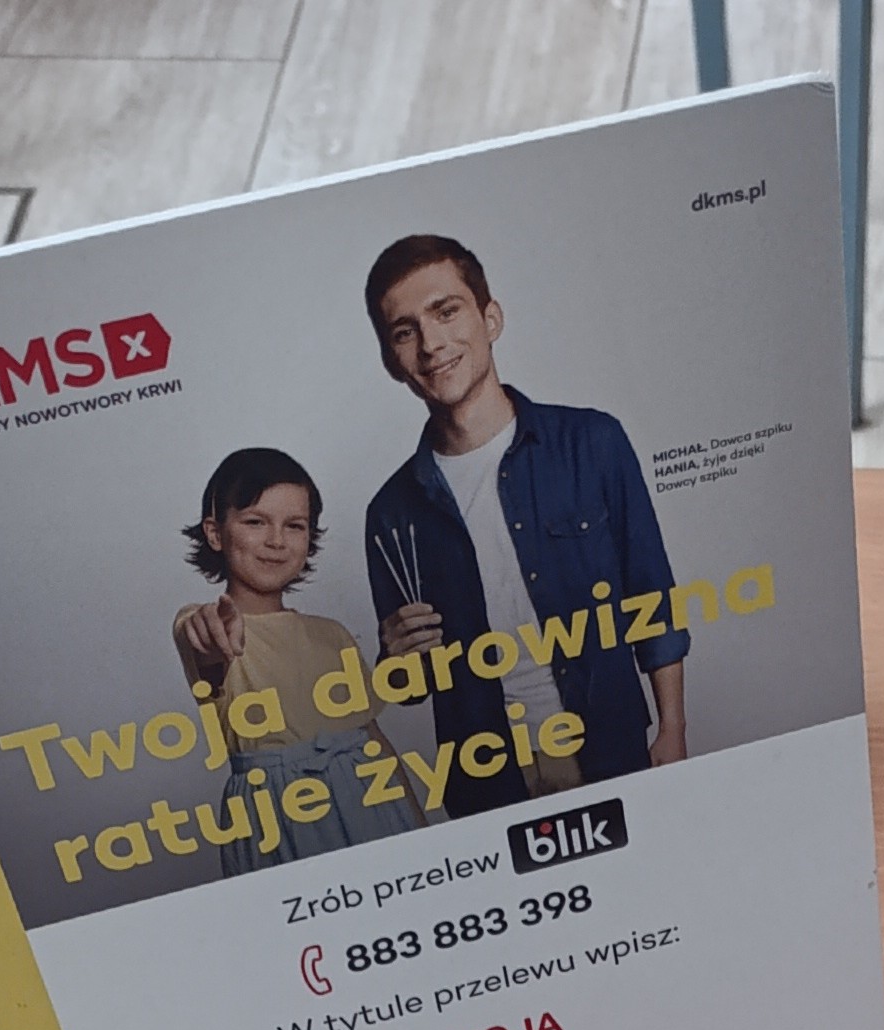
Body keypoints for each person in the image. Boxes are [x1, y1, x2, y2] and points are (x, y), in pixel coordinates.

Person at [359, 231, 687, 817]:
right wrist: (394, 659)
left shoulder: (592, 443)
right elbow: (411, 688)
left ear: (491, 318)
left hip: (608, 747)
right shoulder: (390, 514)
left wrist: (672, 729)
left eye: (446, 312)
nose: (431, 344)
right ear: (391, 361)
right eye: (405, 332)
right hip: (485, 783)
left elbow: (652, 596)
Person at [172, 446, 411, 871]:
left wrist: (420, 828)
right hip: (279, 815)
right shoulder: (208, 624)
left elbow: (375, 740)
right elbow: (202, 642)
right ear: (215, 532)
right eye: (255, 522)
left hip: (368, 798)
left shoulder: (332, 634)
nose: (277, 541)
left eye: (295, 525)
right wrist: (210, 631)